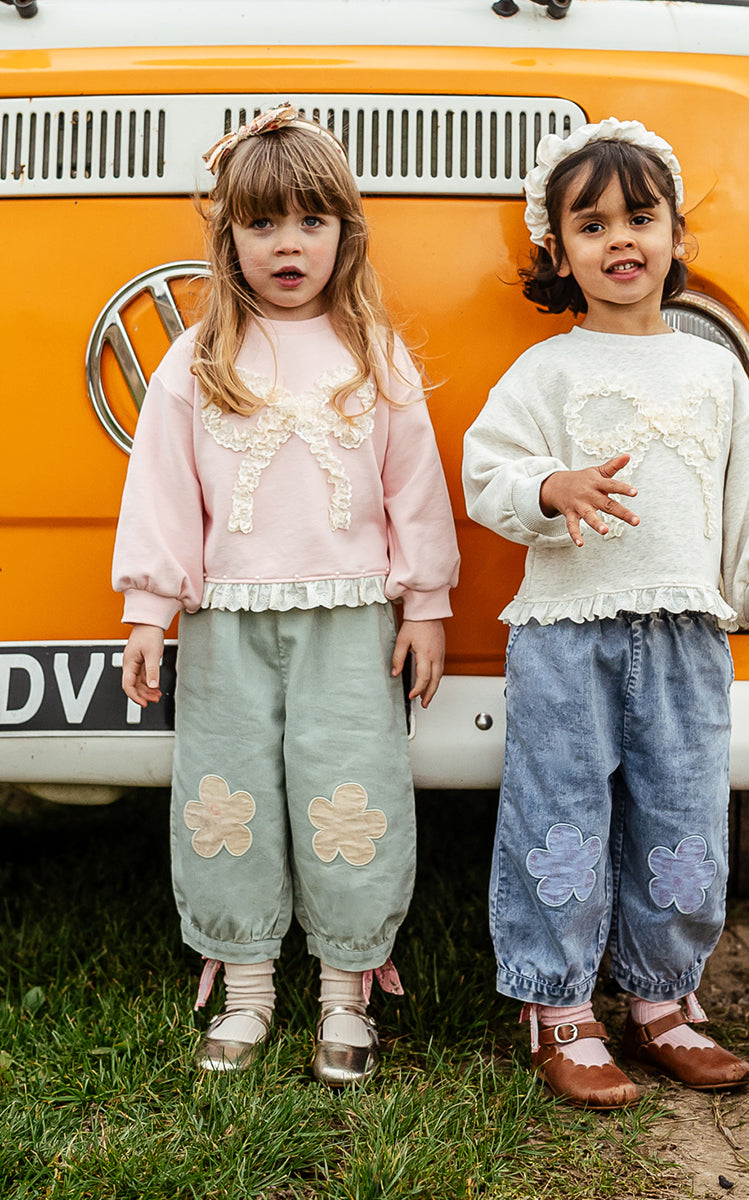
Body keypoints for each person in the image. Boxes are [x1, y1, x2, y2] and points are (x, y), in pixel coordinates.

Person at [462, 118, 749, 1110]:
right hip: (567, 633)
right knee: (559, 817)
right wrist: (549, 488)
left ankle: (663, 999)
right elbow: (487, 471)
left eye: (640, 217)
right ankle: (558, 1009)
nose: (620, 240)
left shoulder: (715, 375)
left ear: (678, 235)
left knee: (683, 817)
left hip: (684, 634)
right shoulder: (546, 373)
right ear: (559, 253)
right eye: (591, 225)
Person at [112, 103, 460, 1084]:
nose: (288, 244)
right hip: (227, 622)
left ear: (346, 232)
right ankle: (249, 986)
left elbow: (414, 486)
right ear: (228, 238)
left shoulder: (374, 354)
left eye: (312, 220)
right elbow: (162, 492)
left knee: (352, 788)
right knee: (228, 794)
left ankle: (346, 992)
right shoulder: (198, 360)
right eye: (261, 223)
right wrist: (150, 611)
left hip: (349, 622)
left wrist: (425, 605)